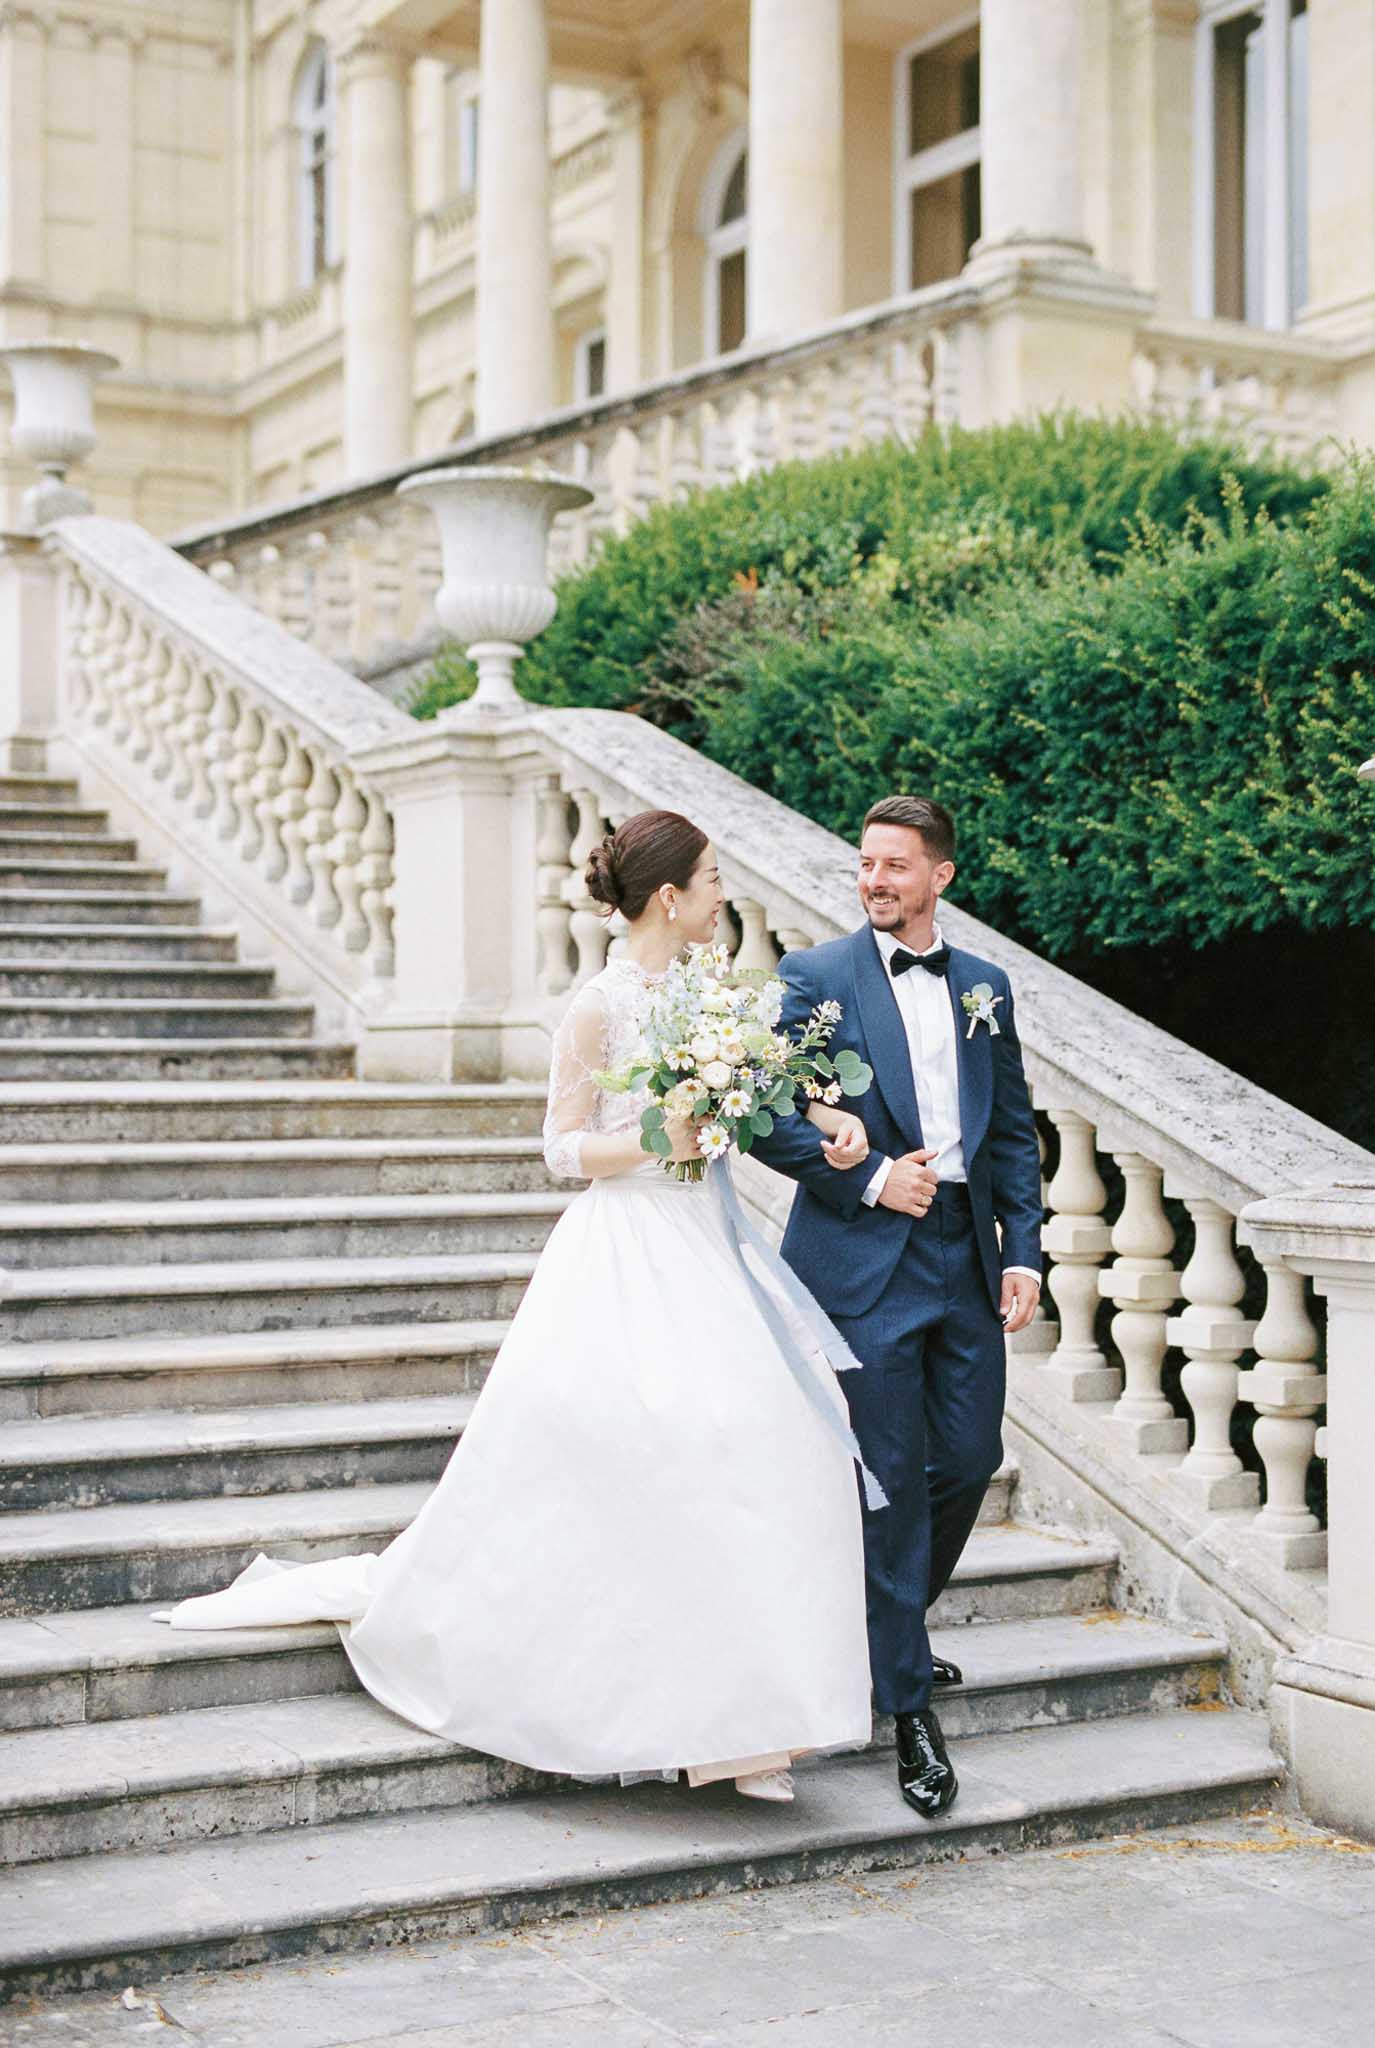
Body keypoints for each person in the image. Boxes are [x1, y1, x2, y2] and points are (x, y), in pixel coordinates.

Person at [164, 810, 880, 1804]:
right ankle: (688, 1714)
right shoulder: (597, 1006)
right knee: (668, 1449)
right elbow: (560, 1146)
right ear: (669, 896)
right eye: (712, 878)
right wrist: (658, 1138)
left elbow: (755, 1098)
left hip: (709, 1247)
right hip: (626, 1249)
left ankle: (745, 1716)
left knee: (777, 1435)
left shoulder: (714, 994)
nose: (725, 892)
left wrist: (826, 1115)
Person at [752, 794, 1043, 1820]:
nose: (874, 879)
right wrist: (872, 1175)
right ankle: (908, 1706)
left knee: (967, 1458)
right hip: (863, 1254)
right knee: (888, 1480)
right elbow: (761, 1108)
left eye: (895, 865)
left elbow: (1010, 1128)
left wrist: (1027, 1253)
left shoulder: (984, 987)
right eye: (865, 863)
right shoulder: (814, 976)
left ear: (939, 878)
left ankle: (891, 1631)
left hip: (964, 1255)